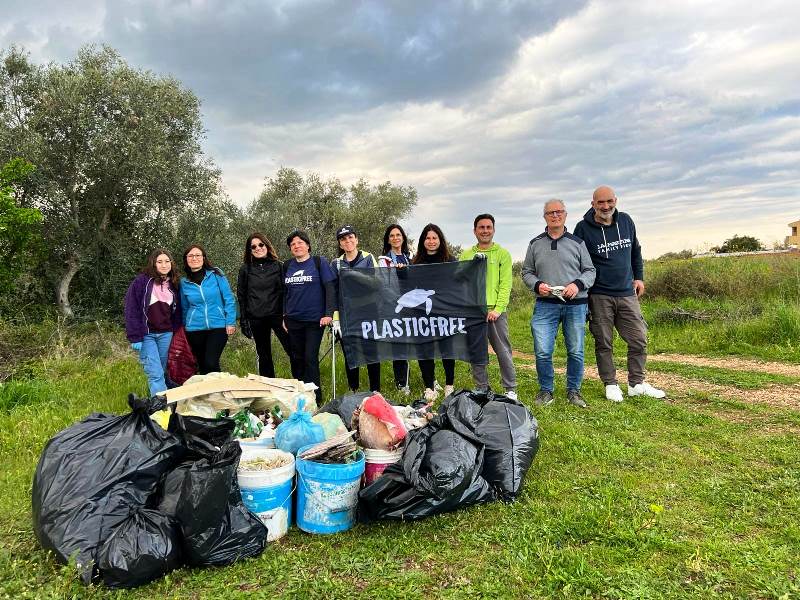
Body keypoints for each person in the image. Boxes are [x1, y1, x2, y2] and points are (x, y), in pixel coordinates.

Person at [573, 185, 665, 401]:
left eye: (609, 201)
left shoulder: (626, 220)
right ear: (593, 204)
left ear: (616, 200)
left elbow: (636, 250)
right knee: (604, 341)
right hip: (599, 294)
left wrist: (639, 277)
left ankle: (637, 383)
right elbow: (577, 261)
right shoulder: (582, 228)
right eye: (600, 202)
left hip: (627, 292)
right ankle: (610, 383)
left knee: (638, 339)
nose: (605, 206)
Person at [522, 200, 596, 408]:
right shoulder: (535, 243)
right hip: (546, 304)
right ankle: (546, 390)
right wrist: (537, 285)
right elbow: (526, 272)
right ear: (544, 216)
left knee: (575, 350)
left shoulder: (577, 243)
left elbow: (590, 270)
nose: (555, 215)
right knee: (543, 350)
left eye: (559, 212)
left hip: (576, 303)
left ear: (565, 214)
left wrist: (577, 284)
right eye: (550, 213)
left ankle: (574, 391)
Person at [460, 214, 518, 400]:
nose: (485, 231)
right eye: (481, 227)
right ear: (475, 230)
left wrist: (498, 309)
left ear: (493, 230)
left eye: (488, 227)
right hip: (474, 312)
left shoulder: (503, 254)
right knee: (477, 352)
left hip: (495, 312)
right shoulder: (466, 255)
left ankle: (510, 389)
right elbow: (461, 282)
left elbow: (505, 284)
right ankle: (482, 388)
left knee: (503, 351)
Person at [283, 230, 337, 404]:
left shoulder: (319, 262)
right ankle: (300, 397)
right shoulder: (287, 266)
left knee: (310, 358)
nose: (296, 246)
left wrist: (328, 314)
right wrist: (284, 315)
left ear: (307, 245)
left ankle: (315, 398)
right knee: (296, 358)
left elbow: (330, 288)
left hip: (314, 321)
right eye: (292, 244)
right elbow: (284, 293)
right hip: (293, 320)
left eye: (300, 243)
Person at [124, 249, 182, 395]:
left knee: (162, 370)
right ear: (153, 264)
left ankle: (165, 399)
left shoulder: (174, 284)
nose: (164, 265)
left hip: (166, 335)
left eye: (167, 261)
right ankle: (161, 409)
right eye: (160, 262)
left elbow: (178, 312)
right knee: (155, 373)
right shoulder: (142, 281)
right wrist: (135, 336)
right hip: (147, 335)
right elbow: (131, 308)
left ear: (171, 264)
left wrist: (176, 330)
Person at [332, 225, 382, 393]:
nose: (347, 241)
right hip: (347, 314)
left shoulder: (368, 258)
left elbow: (378, 282)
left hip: (369, 310)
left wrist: (356, 275)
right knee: (351, 353)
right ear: (340, 244)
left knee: (371, 351)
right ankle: (354, 389)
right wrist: (336, 319)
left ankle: (375, 391)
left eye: (350, 237)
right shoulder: (336, 263)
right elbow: (334, 292)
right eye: (343, 239)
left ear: (356, 239)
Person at [237, 233, 293, 378]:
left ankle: (301, 384)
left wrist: (287, 315)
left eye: (261, 244)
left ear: (267, 245)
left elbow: (286, 292)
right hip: (256, 318)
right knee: (264, 356)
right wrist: (244, 321)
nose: (258, 248)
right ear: (249, 250)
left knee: (293, 350)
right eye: (253, 246)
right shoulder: (245, 269)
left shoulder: (279, 266)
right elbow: (242, 296)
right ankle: (269, 391)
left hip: (278, 316)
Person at [411, 223, 456, 402]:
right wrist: (400, 273)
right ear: (423, 241)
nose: (431, 241)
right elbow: (408, 287)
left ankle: (449, 385)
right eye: (427, 238)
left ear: (440, 240)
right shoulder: (415, 263)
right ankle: (429, 387)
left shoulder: (450, 260)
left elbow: (458, 284)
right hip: (422, 314)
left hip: (444, 312)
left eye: (434, 238)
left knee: (447, 348)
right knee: (425, 349)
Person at [179, 244, 237, 374]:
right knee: (202, 365)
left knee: (211, 362)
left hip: (218, 326)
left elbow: (228, 298)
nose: (194, 258)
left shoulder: (216, 274)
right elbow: (184, 307)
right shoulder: (183, 282)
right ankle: (208, 393)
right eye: (190, 256)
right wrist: (184, 327)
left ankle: (219, 390)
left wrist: (230, 321)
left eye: (198, 255)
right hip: (194, 329)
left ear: (204, 258)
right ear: (186, 260)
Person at [378, 224, 412, 395]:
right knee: (399, 346)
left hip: (413, 307)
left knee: (416, 344)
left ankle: (429, 382)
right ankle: (401, 385)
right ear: (388, 239)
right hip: (395, 308)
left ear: (403, 237)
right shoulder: (384, 260)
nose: (395, 238)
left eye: (398, 234)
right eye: (392, 235)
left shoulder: (410, 258)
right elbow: (385, 285)